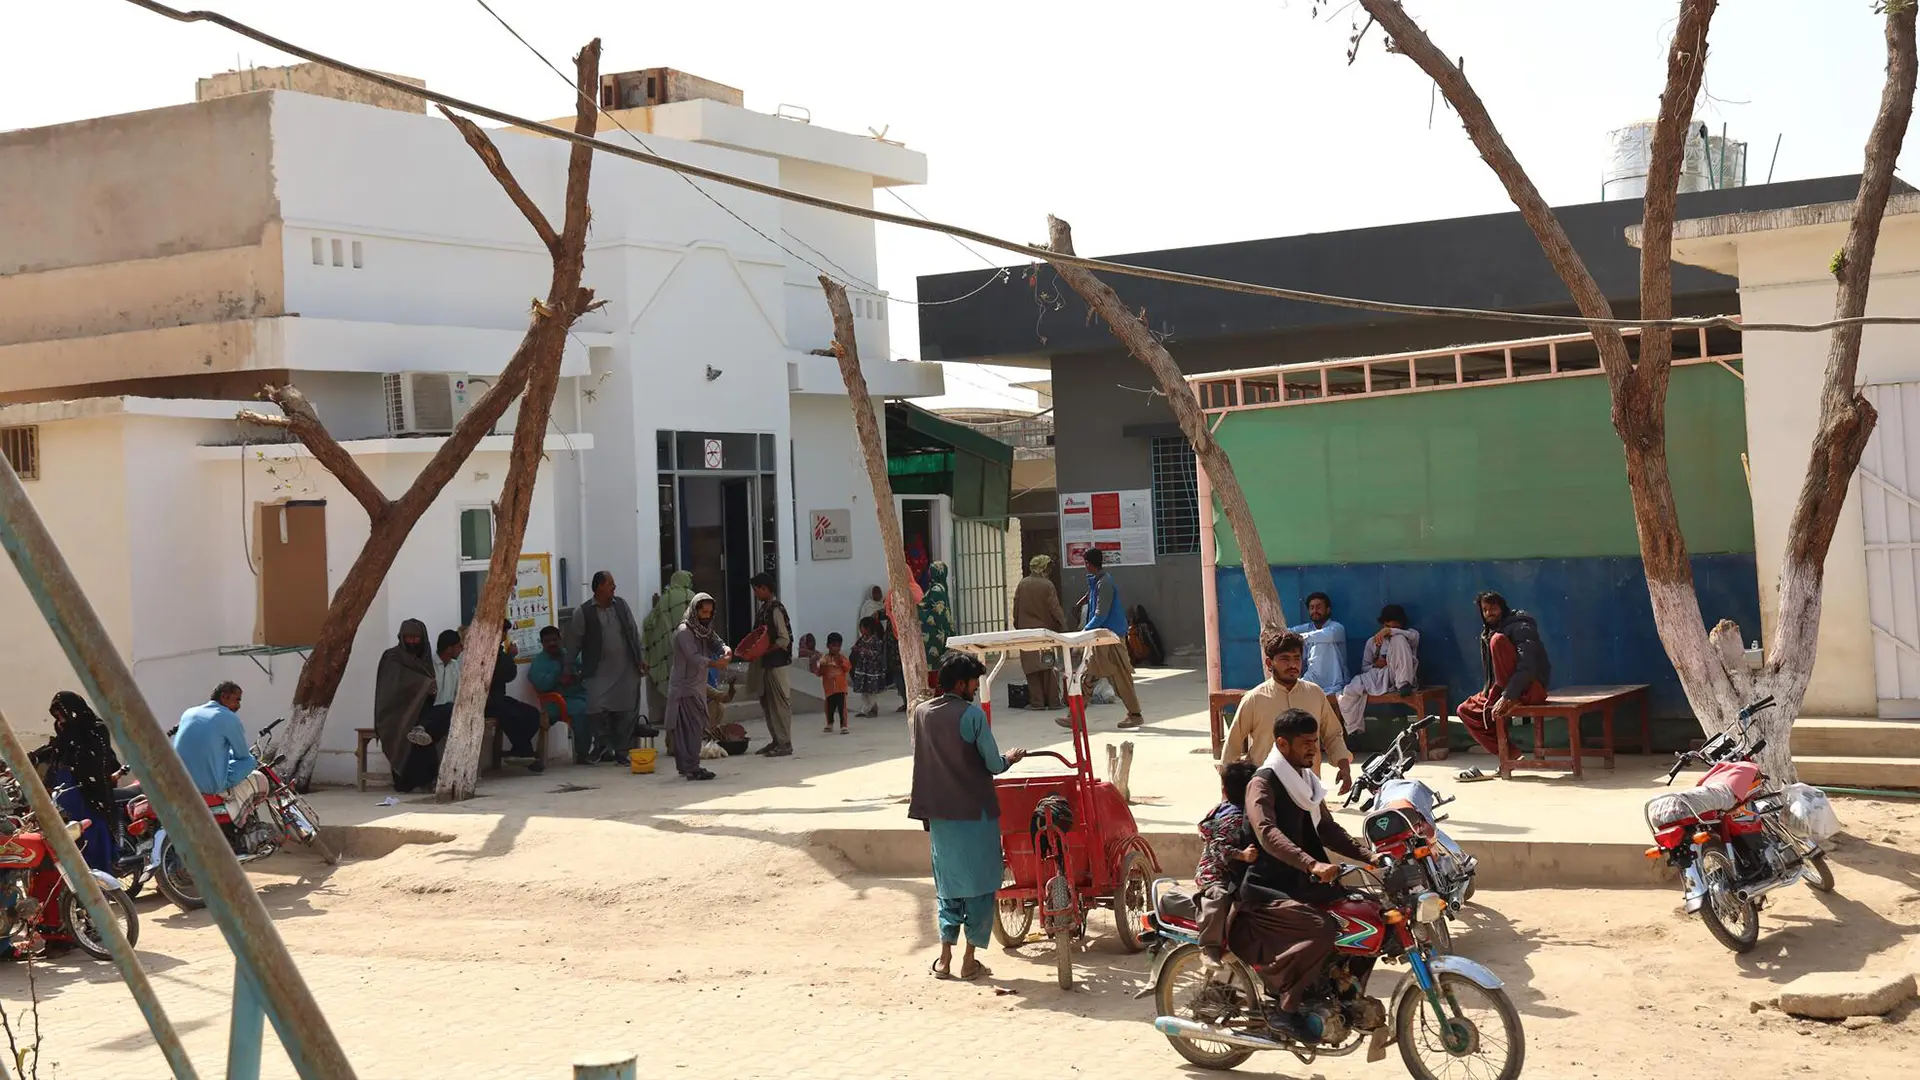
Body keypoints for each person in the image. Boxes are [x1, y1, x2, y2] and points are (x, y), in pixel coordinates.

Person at [1235, 708, 1374, 1042]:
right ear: (1283, 744)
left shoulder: (1306, 782)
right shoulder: (1262, 783)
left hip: (1302, 883)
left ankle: (1343, 995)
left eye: (1316, 742)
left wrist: (1373, 857)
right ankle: (1284, 1010)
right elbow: (1267, 832)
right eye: (1306, 743)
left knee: (1369, 915)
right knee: (1320, 929)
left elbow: (1326, 829)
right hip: (1266, 886)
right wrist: (1311, 864)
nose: (1314, 749)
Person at [909, 651, 1027, 981]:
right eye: (974, 682)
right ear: (960, 684)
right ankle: (969, 960)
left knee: (948, 886)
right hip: (976, 813)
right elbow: (993, 764)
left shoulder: (921, 713)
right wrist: (1011, 758)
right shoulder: (972, 716)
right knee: (980, 885)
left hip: (940, 816)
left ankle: (944, 958)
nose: (976, 688)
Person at [1220, 628, 1353, 794]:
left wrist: (1344, 768)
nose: (1292, 665)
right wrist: (1228, 791)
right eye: (1285, 659)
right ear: (1269, 663)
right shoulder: (1255, 698)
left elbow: (1333, 734)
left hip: (1308, 788)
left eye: (1296, 658)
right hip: (1266, 789)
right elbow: (1233, 743)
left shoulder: (1315, 694)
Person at [1457, 591, 1553, 774]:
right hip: (1504, 689)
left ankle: (1508, 699)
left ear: (1502, 608)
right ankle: (1510, 755)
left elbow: (1528, 666)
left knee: (1498, 641)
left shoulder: (1519, 627)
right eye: (1484, 610)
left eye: (1493, 608)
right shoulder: (1489, 632)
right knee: (1466, 711)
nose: (1489, 613)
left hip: (1531, 689)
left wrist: (1509, 695)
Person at [31, 692, 124, 873]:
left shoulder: (95, 730)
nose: (59, 720)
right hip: (67, 795)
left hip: (91, 793)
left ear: (72, 711)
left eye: (61, 715)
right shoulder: (65, 734)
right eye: (56, 716)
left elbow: (99, 760)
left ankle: (102, 877)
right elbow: (53, 751)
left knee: (93, 832)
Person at [565, 571, 649, 764]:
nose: (614, 586)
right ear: (600, 586)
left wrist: (641, 658)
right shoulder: (583, 612)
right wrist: (568, 668)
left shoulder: (621, 605)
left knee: (627, 710)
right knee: (595, 707)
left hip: (626, 668)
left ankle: (621, 751)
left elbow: (633, 633)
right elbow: (573, 644)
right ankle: (602, 743)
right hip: (598, 670)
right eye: (611, 583)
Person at [1070, 547, 1145, 729]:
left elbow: (1101, 614)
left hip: (1110, 637)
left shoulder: (1104, 583)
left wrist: (1083, 633)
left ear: (1088, 564)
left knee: (1120, 677)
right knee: (1088, 676)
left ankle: (1135, 714)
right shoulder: (1098, 582)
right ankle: (1076, 717)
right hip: (1101, 637)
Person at [173, 682, 269, 819]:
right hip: (208, 786)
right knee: (250, 760)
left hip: (180, 780)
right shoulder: (229, 717)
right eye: (237, 700)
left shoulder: (189, 712)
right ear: (224, 697)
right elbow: (242, 755)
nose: (239, 706)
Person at [1195, 761, 1258, 967]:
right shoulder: (1231, 817)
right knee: (1219, 897)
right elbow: (1218, 846)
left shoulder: (1245, 811)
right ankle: (1209, 948)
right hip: (1215, 873)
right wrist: (1242, 855)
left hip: (1233, 872)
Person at [668, 592, 729, 782]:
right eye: (703, 612)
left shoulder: (704, 630)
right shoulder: (684, 632)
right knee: (689, 730)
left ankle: (689, 766)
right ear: (695, 611)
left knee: (693, 729)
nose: (706, 616)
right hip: (684, 689)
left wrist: (726, 650)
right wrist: (715, 664)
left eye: (709, 613)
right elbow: (694, 658)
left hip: (697, 686)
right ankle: (691, 768)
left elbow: (717, 642)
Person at [1334, 605, 1422, 735]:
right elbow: (1365, 668)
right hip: (1378, 677)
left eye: (1395, 626)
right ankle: (1354, 729)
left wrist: (1391, 632)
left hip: (1399, 675)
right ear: (1383, 624)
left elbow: (1414, 637)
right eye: (1388, 626)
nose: (1391, 629)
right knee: (1350, 690)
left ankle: (1404, 683)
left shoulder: (1408, 635)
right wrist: (1376, 665)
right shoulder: (1372, 642)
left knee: (1398, 639)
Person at [373, 619, 440, 791]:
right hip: (395, 714)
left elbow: (428, 683)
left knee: (428, 732)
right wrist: (425, 685)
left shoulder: (425, 659)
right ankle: (405, 782)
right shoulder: (392, 657)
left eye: (415, 638)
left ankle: (426, 781)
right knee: (405, 734)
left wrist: (431, 689)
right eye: (408, 637)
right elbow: (392, 688)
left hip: (422, 711)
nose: (412, 642)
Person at [488, 621, 545, 775]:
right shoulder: (485, 650)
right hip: (484, 701)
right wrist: (510, 657)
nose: (504, 635)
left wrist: (508, 657)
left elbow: (508, 676)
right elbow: (499, 674)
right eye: (502, 631)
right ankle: (525, 752)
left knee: (531, 713)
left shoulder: (500, 652)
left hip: (499, 698)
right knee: (510, 714)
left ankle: (520, 749)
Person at [527, 625, 591, 763]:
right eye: (547, 641)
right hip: (555, 702)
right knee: (582, 710)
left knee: (604, 704)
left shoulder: (570, 655)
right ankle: (583, 754)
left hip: (579, 695)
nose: (552, 643)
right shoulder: (539, 662)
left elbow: (585, 671)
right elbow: (540, 685)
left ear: (560, 639)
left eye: (554, 640)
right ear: (542, 643)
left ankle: (605, 749)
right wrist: (558, 673)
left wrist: (577, 676)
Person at [1012, 554, 1068, 710]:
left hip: (1026, 632)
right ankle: (1054, 701)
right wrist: (1063, 627)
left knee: (1031, 668)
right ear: (1044, 567)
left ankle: (1037, 702)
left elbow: (1016, 609)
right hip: (1045, 632)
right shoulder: (1047, 585)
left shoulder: (1022, 584)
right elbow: (1055, 609)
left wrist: (1018, 625)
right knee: (1048, 665)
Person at [749, 572, 795, 757]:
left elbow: (784, 639)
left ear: (764, 589)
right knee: (767, 704)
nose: (755, 594)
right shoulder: (764, 608)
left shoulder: (776, 609)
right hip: (765, 665)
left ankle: (785, 744)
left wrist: (765, 650)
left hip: (777, 665)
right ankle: (776, 740)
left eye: (756, 590)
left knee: (779, 705)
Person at [643, 570, 699, 716]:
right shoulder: (691, 597)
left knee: (672, 683)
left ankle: (673, 716)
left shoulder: (665, 599)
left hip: (669, 648)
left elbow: (650, 622)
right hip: (688, 648)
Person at [1290, 592, 1349, 696]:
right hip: (1310, 678)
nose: (1314, 611)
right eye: (1311, 608)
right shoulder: (1307, 628)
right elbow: (1287, 632)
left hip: (1335, 681)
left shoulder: (1337, 628)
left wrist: (1299, 638)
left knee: (1320, 643)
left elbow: (1326, 636)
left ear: (1328, 609)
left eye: (1318, 607)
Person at [918, 562, 956, 687]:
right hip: (939, 632)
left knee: (934, 666)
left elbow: (934, 612)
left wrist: (916, 609)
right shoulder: (940, 587)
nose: (928, 573)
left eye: (931, 570)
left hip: (934, 634)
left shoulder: (936, 589)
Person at [850, 616, 890, 718]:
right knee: (864, 690)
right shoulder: (861, 639)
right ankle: (868, 708)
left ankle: (868, 709)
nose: (861, 630)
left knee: (871, 691)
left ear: (868, 629)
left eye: (862, 628)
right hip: (862, 669)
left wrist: (865, 651)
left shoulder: (876, 641)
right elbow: (857, 647)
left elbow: (878, 654)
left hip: (872, 670)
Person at [817, 632, 851, 735]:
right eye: (833, 646)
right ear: (828, 646)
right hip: (829, 689)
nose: (836, 648)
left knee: (842, 708)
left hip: (841, 688)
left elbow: (848, 667)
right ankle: (829, 723)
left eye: (838, 646)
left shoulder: (842, 658)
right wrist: (821, 666)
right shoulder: (824, 659)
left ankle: (844, 725)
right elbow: (819, 672)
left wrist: (841, 663)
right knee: (829, 707)